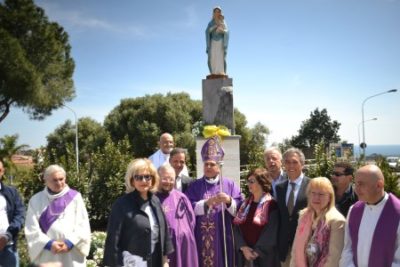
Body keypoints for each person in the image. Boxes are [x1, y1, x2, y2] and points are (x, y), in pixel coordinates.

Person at [103, 158, 173, 267]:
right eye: (138, 177)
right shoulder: (121, 204)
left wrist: (165, 261)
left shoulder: (156, 201)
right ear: (132, 180)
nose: (143, 181)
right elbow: (113, 241)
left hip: (155, 262)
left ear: (153, 179)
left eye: (147, 177)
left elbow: (164, 234)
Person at [185, 137, 242, 267]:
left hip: (224, 236)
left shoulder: (230, 184)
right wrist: (206, 203)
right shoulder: (195, 185)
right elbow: (187, 208)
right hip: (201, 237)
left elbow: (240, 209)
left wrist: (228, 201)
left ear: (219, 167)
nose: (208, 167)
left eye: (212, 164)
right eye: (206, 164)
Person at [25, 164, 91, 266]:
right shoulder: (35, 200)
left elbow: (83, 225)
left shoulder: (75, 197)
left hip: (71, 253)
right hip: (48, 253)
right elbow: (31, 228)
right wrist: (49, 244)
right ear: (46, 181)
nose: (59, 183)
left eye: (61, 179)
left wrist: (69, 243)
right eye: (54, 180)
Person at [339, 165, 400, 267]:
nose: (356, 190)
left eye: (361, 184)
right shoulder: (354, 210)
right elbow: (347, 249)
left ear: (379, 185)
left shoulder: (397, 213)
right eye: (355, 184)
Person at [290, 177, 345, 267]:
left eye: (321, 194)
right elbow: (295, 249)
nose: (316, 197)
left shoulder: (337, 221)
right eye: (313, 193)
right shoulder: (304, 216)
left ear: (330, 197)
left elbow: (334, 259)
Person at [233, 168, 280, 267]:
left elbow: (271, 232)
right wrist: (243, 247)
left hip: (264, 257)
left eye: (252, 181)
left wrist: (256, 252)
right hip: (244, 256)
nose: (248, 184)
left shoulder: (272, 205)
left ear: (261, 182)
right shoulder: (244, 205)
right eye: (248, 181)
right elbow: (236, 228)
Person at [156, 164, 198, 267]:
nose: (168, 182)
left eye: (171, 179)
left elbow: (192, 221)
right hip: (163, 250)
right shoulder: (151, 199)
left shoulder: (182, 197)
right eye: (164, 178)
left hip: (184, 248)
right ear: (157, 178)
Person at [275, 148, 310, 267]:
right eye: (287, 162)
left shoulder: (312, 186)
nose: (291, 165)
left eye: (294, 162)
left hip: (306, 245)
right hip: (284, 246)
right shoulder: (279, 188)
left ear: (302, 164)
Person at [0, 159, 25, 267]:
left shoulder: (11, 192)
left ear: (3, 171)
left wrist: (7, 236)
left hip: (8, 246)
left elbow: (20, 215)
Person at [205, 6, 229, 75]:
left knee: (220, 56)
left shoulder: (223, 21)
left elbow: (227, 31)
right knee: (213, 56)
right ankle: (213, 72)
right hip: (212, 41)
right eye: (215, 11)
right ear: (213, 13)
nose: (217, 13)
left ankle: (221, 72)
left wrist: (223, 31)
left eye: (218, 11)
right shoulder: (210, 23)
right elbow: (207, 31)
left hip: (221, 41)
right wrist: (214, 27)